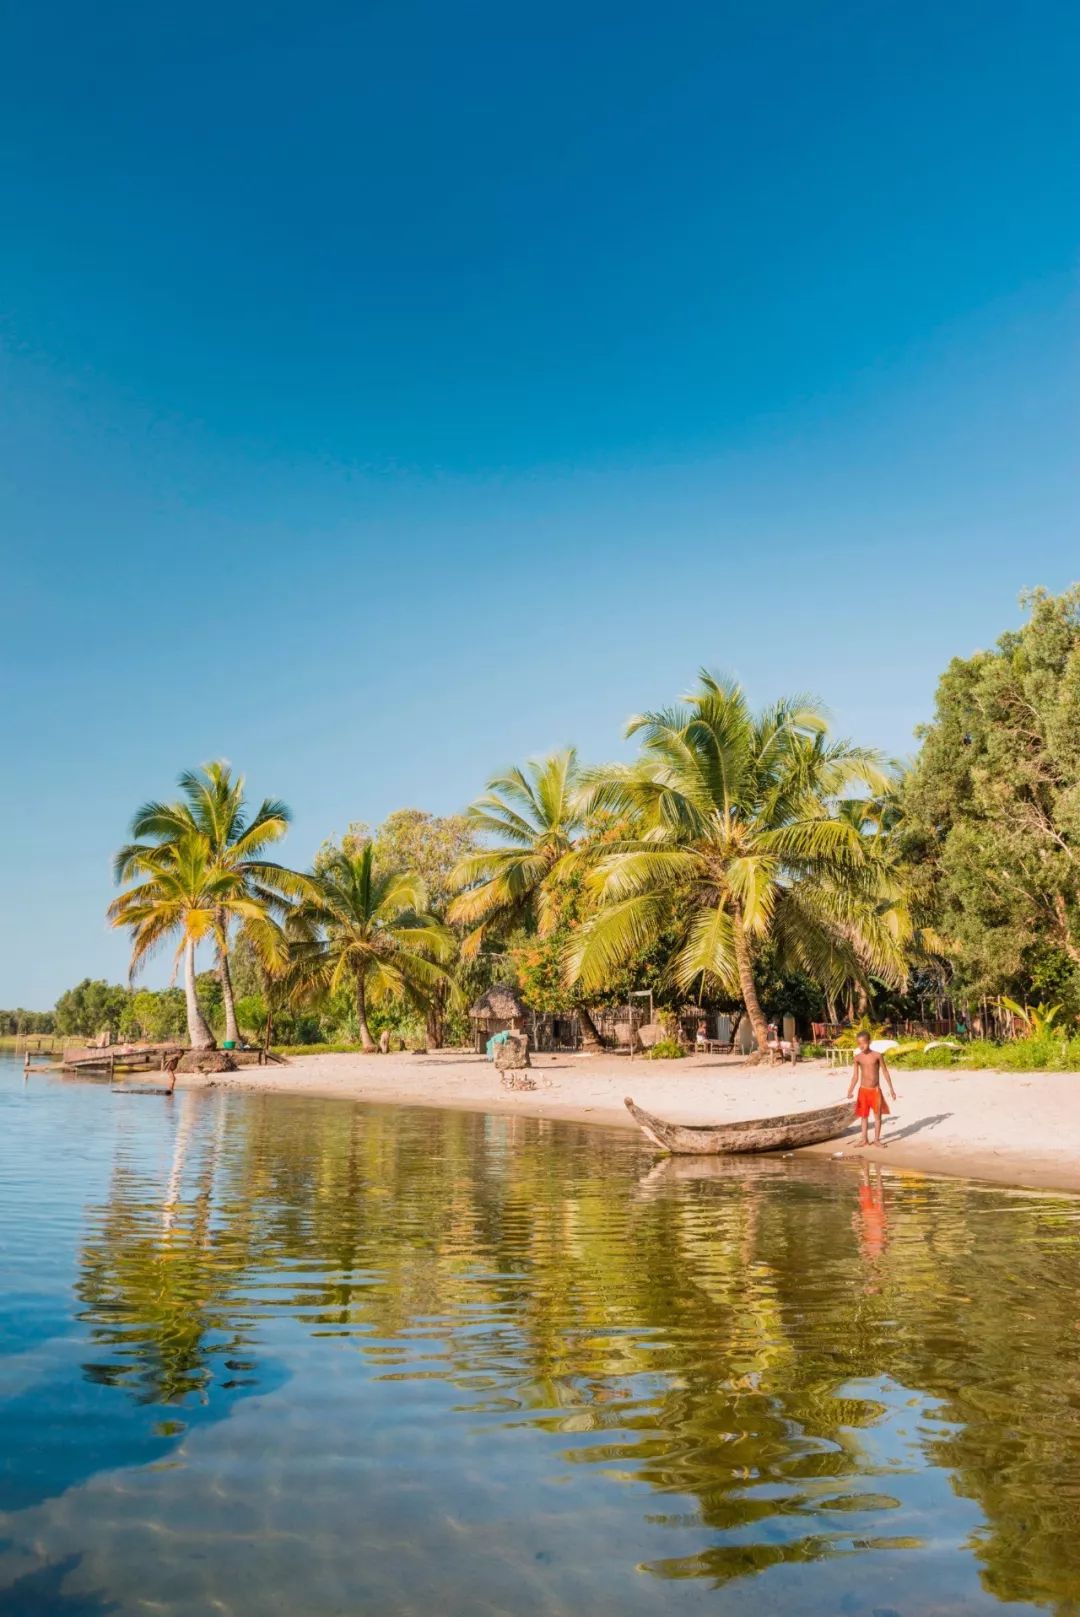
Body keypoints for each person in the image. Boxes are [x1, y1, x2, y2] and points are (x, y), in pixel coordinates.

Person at [846, 1031, 896, 1147]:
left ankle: (877, 1140)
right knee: (863, 1116)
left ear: (870, 1042)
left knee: (877, 1116)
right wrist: (850, 1090)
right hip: (863, 1091)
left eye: (864, 1043)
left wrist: (891, 1089)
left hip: (875, 1091)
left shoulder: (877, 1055)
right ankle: (864, 1139)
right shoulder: (857, 1058)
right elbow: (855, 1076)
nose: (861, 1046)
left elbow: (885, 1072)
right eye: (859, 1044)